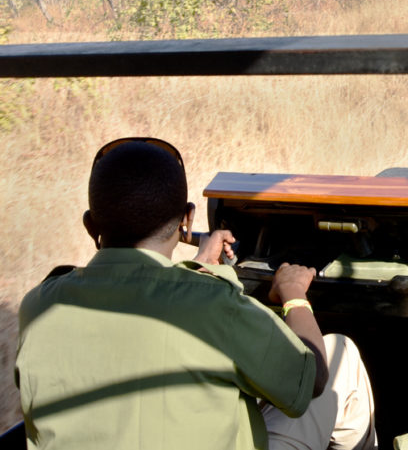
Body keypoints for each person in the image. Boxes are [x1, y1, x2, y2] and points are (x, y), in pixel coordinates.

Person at [15, 137, 377, 450]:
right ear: (187, 219)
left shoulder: (39, 305)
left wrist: (202, 268)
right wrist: (295, 295)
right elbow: (308, 381)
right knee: (339, 354)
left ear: (90, 225)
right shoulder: (214, 305)